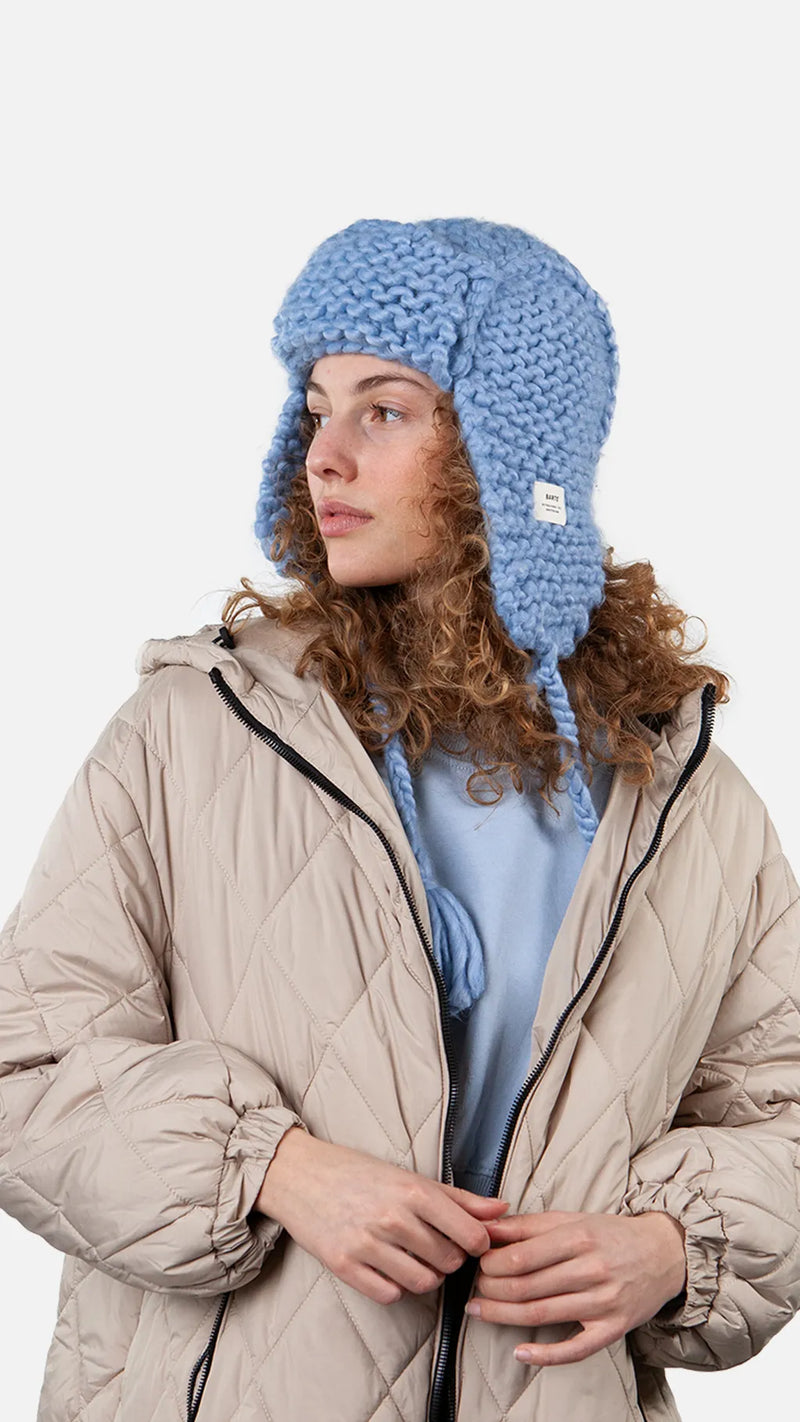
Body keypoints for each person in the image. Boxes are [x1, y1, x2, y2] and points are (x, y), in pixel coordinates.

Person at [1, 217, 799, 1422]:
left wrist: (670, 1247)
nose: (322, 457)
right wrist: (275, 1170)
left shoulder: (682, 800)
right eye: (315, 409)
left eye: (382, 410)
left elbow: (780, 1115)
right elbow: (24, 1071)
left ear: (507, 450)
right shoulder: (191, 734)